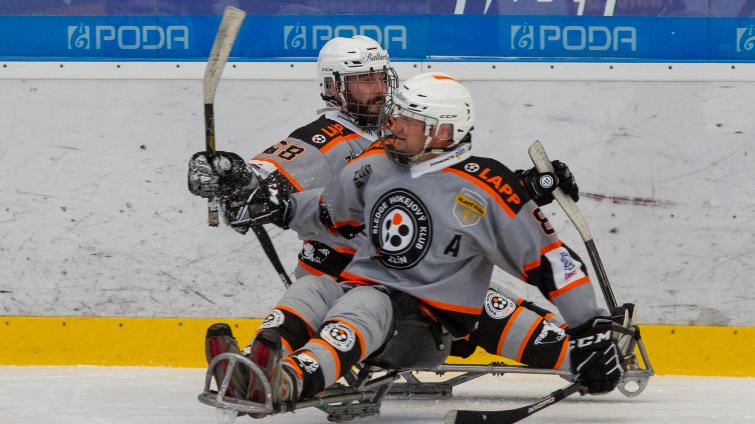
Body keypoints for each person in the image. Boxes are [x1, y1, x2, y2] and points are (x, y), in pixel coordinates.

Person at [209, 72, 624, 413]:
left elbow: (552, 262)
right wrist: (277, 205)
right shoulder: (374, 164)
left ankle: (290, 379)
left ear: (443, 131)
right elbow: (326, 211)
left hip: (430, 322)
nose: (394, 124)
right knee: (312, 286)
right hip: (367, 288)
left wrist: (589, 327)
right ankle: (253, 362)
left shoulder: (487, 185)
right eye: (398, 115)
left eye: (408, 120)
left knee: (365, 304)